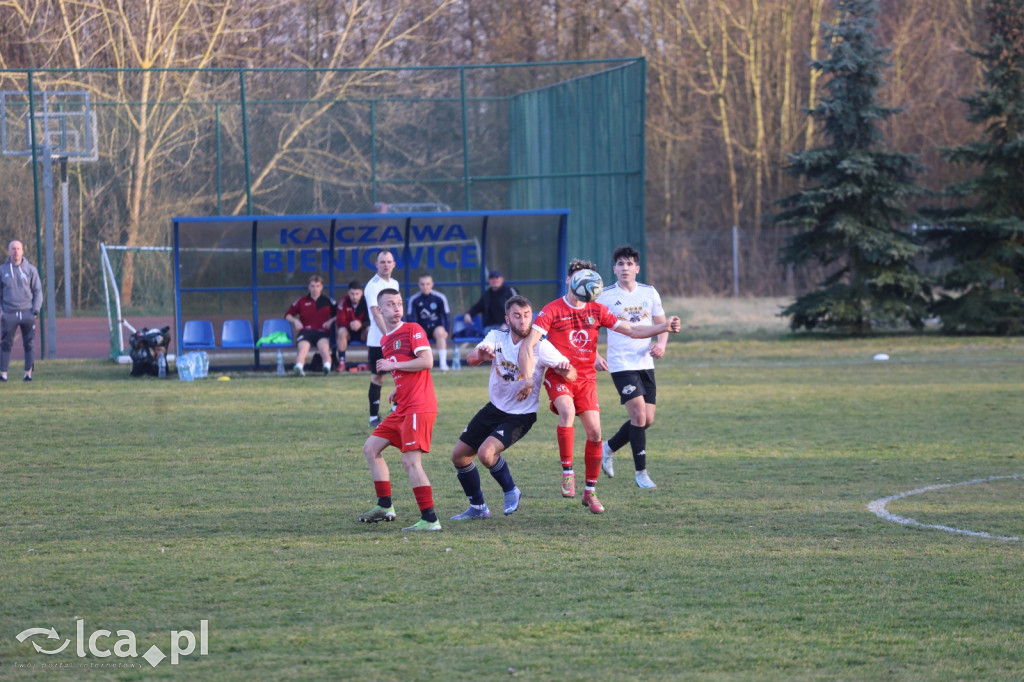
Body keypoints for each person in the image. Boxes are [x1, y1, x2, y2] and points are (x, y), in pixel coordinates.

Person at [517, 258, 681, 513]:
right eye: (578, 276)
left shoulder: (597, 310)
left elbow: (633, 331)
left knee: (595, 434)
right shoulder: (552, 310)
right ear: (570, 280)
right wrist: (528, 377)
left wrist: (663, 327)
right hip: (560, 376)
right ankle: (567, 472)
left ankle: (590, 492)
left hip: (586, 380)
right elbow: (529, 344)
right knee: (568, 412)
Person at [449, 295, 576, 521]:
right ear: (507, 319)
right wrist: (480, 355)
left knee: (486, 454)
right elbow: (471, 358)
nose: (523, 320)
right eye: (517, 316)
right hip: (494, 408)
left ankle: (511, 490)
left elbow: (573, 374)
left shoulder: (541, 346)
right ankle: (478, 507)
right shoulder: (496, 337)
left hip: (520, 415)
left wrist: (566, 370)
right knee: (459, 457)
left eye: (527, 315)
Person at [357, 288, 441, 532]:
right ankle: (385, 506)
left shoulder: (413, 329)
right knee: (371, 448)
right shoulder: (385, 340)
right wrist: (398, 388)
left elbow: (427, 361)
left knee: (411, 462)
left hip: (419, 406)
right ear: (379, 310)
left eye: (399, 303)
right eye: (390, 304)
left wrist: (395, 364)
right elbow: (404, 371)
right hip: (403, 405)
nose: (396, 308)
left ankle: (430, 519)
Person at [595, 245, 668, 489]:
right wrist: (594, 354)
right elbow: (591, 328)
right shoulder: (604, 295)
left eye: (629, 264)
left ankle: (608, 448)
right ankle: (641, 474)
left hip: (645, 362)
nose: (625, 268)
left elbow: (661, 322)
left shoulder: (649, 292)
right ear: (614, 269)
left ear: (637, 268)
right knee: (637, 415)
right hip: (620, 364)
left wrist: (661, 344)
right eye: (620, 264)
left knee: (647, 420)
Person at [0, 240, 43, 382]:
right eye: (13, 248)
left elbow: (38, 291)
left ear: (23, 251)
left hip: (27, 312)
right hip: (9, 313)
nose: (16, 251)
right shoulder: (2, 270)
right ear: (9, 251)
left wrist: (35, 310)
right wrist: (2, 311)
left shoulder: (31, 270)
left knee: (29, 343)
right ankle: (3, 373)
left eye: (18, 248)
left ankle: (28, 373)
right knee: (6, 343)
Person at [364, 249, 398, 426]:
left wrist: (399, 331)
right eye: (382, 262)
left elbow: (397, 309)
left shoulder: (394, 283)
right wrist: (389, 334)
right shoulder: (373, 285)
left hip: (394, 337)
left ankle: (397, 408)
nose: (386, 265)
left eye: (388, 261)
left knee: (403, 371)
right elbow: (376, 314)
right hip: (379, 340)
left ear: (394, 264)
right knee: (379, 377)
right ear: (376, 264)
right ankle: (373, 417)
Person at [284, 274, 335, 376]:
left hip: (322, 332)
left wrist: (331, 321)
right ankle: (298, 368)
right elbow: (287, 315)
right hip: (305, 332)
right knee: (303, 349)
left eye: (317, 286)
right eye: (312, 286)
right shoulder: (302, 301)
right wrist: (295, 321)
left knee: (324, 349)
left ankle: (327, 368)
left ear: (321, 287)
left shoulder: (328, 301)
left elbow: (339, 314)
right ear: (308, 287)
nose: (315, 289)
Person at [407, 273, 451, 371]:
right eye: (422, 284)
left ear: (432, 284)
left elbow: (446, 315)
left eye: (427, 284)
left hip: (436, 327)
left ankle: (443, 364)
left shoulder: (440, 297)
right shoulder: (414, 299)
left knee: (440, 332)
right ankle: (421, 364)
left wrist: (446, 330)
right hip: (422, 328)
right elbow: (410, 318)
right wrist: (413, 333)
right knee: (419, 334)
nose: (425, 286)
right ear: (419, 285)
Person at [335, 279, 369, 371]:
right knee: (341, 331)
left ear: (361, 293)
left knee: (370, 330)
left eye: (357, 294)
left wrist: (361, 324)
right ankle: (342, 363)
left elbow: (372, 320)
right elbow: (340, 321)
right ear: (348, 293)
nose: (354, 296)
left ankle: (371, 362)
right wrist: (350, 324)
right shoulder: (343, 301)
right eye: (352, 294)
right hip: (348, 333)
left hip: (362, 332)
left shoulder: (367, 302)